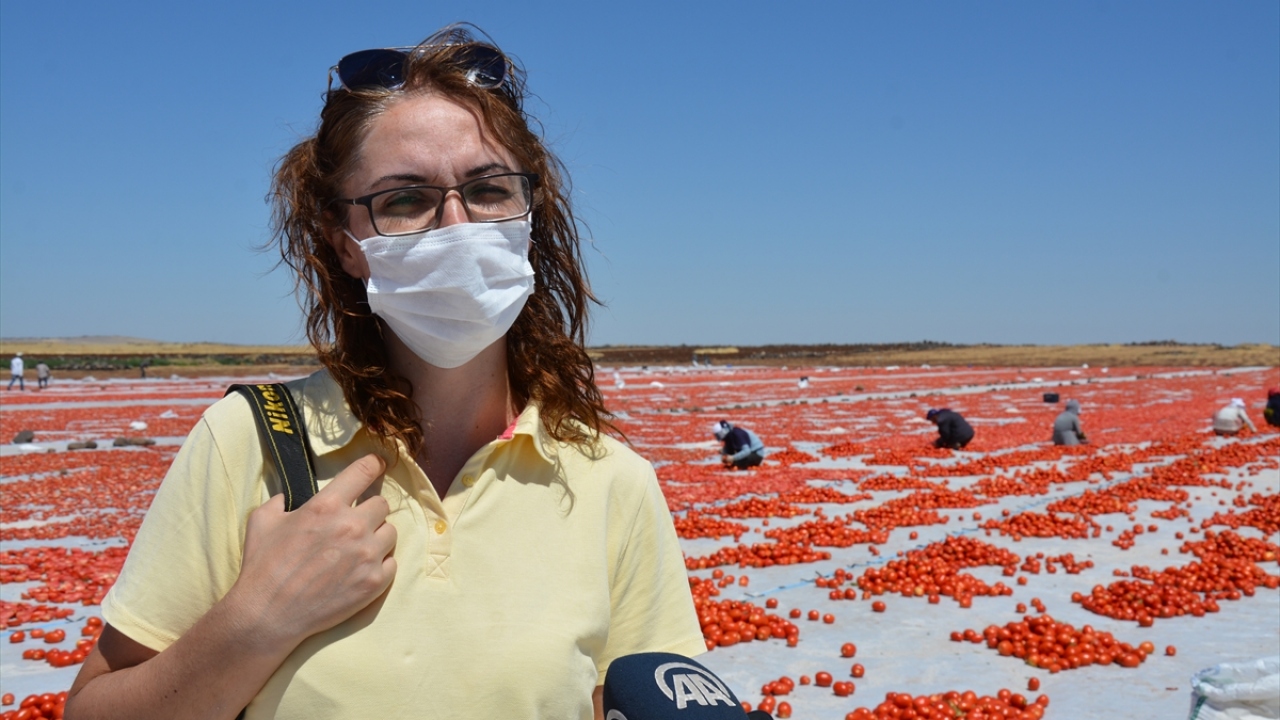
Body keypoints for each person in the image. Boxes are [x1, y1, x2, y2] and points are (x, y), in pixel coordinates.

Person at [67, 25, 702, 720]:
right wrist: (256, 621)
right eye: (405, 200)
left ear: (529, 213)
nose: (458, 226)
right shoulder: (247, 446)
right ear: (346, 246)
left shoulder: (611, 481)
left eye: (490, 190)